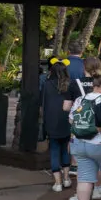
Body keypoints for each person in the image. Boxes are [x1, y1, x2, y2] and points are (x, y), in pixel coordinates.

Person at [68, 69, 101, 200]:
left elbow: (71, 120)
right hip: (99, 143)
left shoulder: (80, 99)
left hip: (79, 143)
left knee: (84, 179)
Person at [40, 59, 74, 192]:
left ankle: (58, 182)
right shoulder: (70, 85)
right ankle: (66, 178)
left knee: (54, 150)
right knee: (65, 150)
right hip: (66, 121)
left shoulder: (47, 85)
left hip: (51, 121)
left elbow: (42, 104)